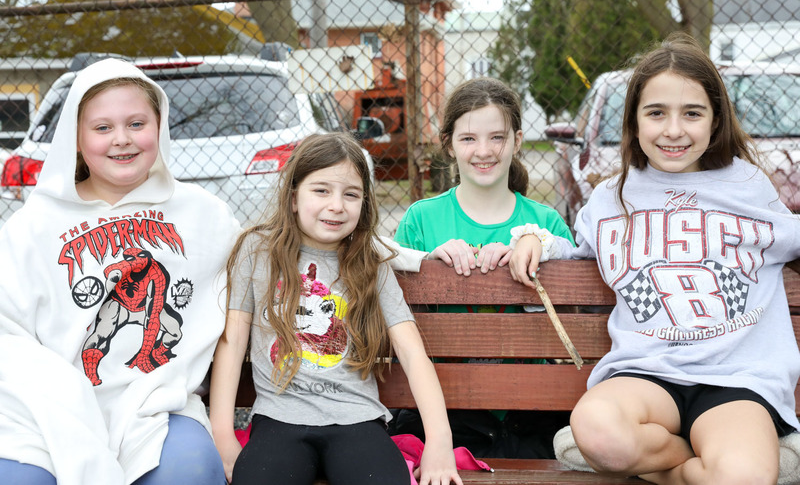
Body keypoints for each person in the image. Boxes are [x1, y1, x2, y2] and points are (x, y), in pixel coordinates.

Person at [509, 33, 800, 484]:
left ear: (715, 119)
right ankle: (685, 457)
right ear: (635, 121)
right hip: (646, 375)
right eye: (657, 113)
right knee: (597, 431)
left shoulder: (750, 187)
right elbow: (572, 249)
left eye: (692, 113)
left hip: (737, 379)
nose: (674, 130)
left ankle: (685, 462)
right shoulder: (611, 197)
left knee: (741, 477)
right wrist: (532, 238)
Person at [0, 58, 240, 485]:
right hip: (46, 410)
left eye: (136, 123)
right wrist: (58, 395)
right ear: (76, 137)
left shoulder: (204, 214)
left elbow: (276, 255)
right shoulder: (32, 226)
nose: (122, 140)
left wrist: (392, 256)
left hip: (155, 407)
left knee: (190, 472)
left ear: (159, 126)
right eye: (102, 127)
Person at [209, 132, 461, 485]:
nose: (337, 205)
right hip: (279, 422)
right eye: (321, 190)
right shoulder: (258, 251)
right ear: (294, 197)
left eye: (351, 194)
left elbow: (411, 351)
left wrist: (440, 442)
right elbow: (232, 343)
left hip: (357, 421)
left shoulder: (370, 262)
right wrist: (222, 436)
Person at [392, 77, 575, 459]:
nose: (484, 151)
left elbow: (573, 320)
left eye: (497, 137)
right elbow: (393, 318)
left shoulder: (545, 223)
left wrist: (534, 249)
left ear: (518, 141)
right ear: (449, 144)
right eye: (469, 139)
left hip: (531, 403)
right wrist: (429, 267)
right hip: (447, 404)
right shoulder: (422, 221)